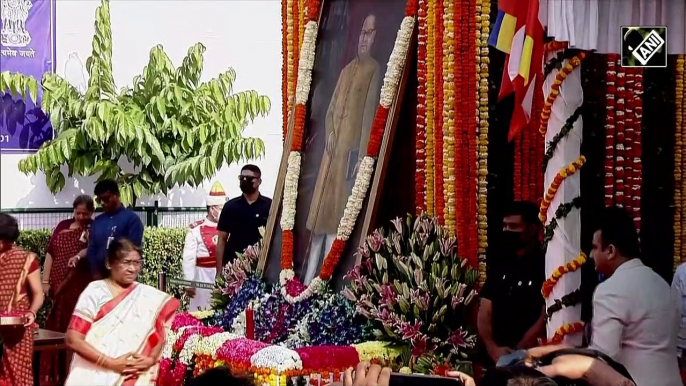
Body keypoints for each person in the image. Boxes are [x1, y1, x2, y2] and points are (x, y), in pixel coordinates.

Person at [303, 13, 381, 284]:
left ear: (376, 38)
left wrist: (361, 156)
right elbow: (331, 110)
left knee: (336, 224)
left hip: (348, 161)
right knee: (319, 223)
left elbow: (369, 116)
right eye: (362, 32)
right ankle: (307, 280)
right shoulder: (346, 70)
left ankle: (323, 282)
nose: (363, 38)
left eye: (370, 33)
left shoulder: (373, 70)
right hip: (330, 158)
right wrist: (332, 131)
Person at [585, 205, 681, 386]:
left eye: (594, 248)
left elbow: (603, 359)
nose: (591, 255)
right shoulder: (661, 283)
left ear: (611, 251)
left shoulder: (610, 290)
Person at [64, 238, 179, 386]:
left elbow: (161, 332)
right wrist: (111, 363)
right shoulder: (96, 291)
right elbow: (73, 339)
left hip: (134, 378)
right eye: (126, 262)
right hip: (94, 377)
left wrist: (151, 359)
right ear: (109, 263)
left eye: (136, 263)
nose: (132, 269)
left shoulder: (148, 296)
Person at [478, 201, 546, 364]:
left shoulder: (545, 263)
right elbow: (485, 309)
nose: (507, 231)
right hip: (496, 356)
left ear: (532, 229)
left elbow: (545, 315)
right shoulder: (500, 261)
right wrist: (492, 347)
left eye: (514, 227)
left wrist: (518, 353)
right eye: (505, 226)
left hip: (531, 357)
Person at [40, 195, 95, 386]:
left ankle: (73, 375)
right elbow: (50, 253)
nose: (80, 216)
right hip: (58, 287)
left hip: (78, 289)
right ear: (73, 211)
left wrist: (83, 250)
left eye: (85, 213)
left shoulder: (93, 228)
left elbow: (93, 251)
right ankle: (54, 375)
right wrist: (45, 281)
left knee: (75, 329)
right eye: (77, 213)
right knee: (55, 327)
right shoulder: (63, 225)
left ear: (91, 213)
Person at [0, 213, 44, 386]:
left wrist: (32, 312)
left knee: (19, 376)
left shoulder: (26, 259)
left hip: (19, 326)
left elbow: (38, 294)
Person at [216, 165, 271, 276]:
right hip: (233, 268)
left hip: (260, 267)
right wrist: (219, 272)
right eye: (242, 178)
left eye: (249, 178)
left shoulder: (270, 206)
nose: (245, 181)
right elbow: (221, 240)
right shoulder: (230, 207)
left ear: (259, 181)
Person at [183, 182, 227, 311]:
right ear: (212, 208)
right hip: (201, 277)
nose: (222, 212)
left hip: (223, 275)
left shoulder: (228, 228)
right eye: (220, 208)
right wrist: (189, 281)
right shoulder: (195, 230)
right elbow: (189, 259)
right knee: (200, 313)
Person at [88, 179, 144, 279]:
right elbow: (92, 249)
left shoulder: (131, 219)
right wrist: (95, 273)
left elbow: (133, 250)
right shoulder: (98, 221)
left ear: (116, 195)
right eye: (99, 200)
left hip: (123, 277)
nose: (102, 203)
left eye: (106, 199)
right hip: (99, 277)